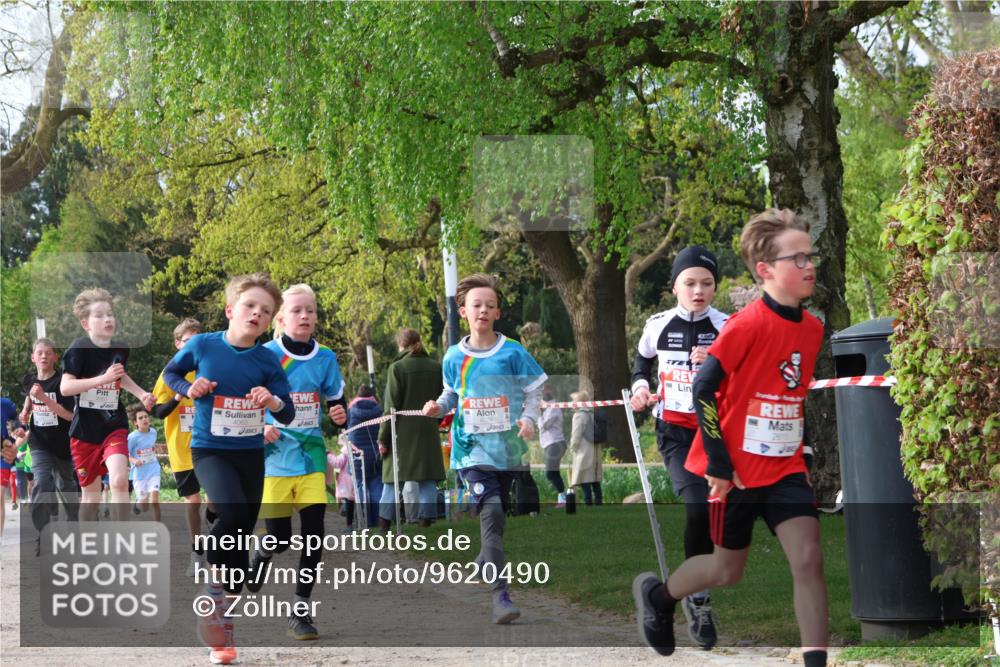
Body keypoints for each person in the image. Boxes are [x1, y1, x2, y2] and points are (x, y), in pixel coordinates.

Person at [633, 208, 828, 667]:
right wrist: (719, 462)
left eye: (810, 255)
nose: (809, 265)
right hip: (736, 473)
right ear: (765, 270)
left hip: (784, 468)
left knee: (808, 558)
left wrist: (798, 444)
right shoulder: (745, 325)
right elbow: (703, 388)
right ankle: (660, 599)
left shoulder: (814, 330)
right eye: (796, 258)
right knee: (725, 570)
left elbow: (786, 394)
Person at [162, 272, 295, 666]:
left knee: (237, 549)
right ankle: (208, 556)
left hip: (249, 455)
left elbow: (286, 409)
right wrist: (190, 388)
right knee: (234, 515)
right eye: (250, 306)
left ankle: (222, 630)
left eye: (266, 310)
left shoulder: (267, 359)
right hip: (209, 450)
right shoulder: (203, 345)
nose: (257, 313)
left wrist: (270, 401)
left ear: (271, 321)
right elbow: (171, 375)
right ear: (230, 310)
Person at [423, 273, 547, 625]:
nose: (483, 310)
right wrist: (438, 407)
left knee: (498, 515)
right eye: (476, 305)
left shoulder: (513, 352)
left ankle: (484, 560)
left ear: (498, 313)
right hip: (469, 450)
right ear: (463, 311)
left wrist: (529, 419)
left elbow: (536, 390)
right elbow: (451, 395)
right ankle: (501, 596)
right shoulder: (452, 356)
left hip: (506, 449)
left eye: (490, 306)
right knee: (491, 512)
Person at [629, 244, 728, 648]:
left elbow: (741, 377)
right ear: (675, 287)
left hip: (714, 432)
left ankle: (691, 591)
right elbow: (641, 363)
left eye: (707, 283)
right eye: (690, 283)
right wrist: (639, 389)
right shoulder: (658, 325)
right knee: (696, 509)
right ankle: (698, 601)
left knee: (715, 520)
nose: (698, 290)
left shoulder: (728, 325)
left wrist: (717, 364)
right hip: (673, 433)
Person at [246, 283, 348, 641]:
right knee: (280, 537)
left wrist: (340, 415)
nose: (305, 316)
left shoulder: (326, 358)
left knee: (314, 534)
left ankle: (299, 610)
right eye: (297, 311)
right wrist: (260, 428)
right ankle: (261, 552)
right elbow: (243, 403)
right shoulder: (264, 355)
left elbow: (338, 402)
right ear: (281, 318)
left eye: (311, 311)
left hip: (311, 456)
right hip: (274, 458)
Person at [60, 288, 155, 522]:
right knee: (91, 498)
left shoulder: (120, 348)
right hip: (84, 431)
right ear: (86, 323)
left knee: (120, 481)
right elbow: (65, 387)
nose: (108, 319)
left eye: (110, 314)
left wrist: (142, 394)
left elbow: (120, 376)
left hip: (114, 425)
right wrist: (103, 379)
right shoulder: (79, 348)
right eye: (100, 315)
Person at [153, 318, 212, 576]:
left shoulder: (211, 367)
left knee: (215, 500)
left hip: (210, 446)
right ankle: (197, 551)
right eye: (187, 341)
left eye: (197, 341)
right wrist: (180, 395)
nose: (192, 346)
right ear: (178, 344)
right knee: (192, 501)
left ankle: (215, 541)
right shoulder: (169, 373)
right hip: (181, 448)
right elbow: (158, 411)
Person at [377, 328, 444, 530]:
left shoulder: (397, 368)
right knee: (427, 477)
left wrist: (383, 438)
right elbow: (442, 401)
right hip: (428, 429)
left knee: (392, 479)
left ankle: (384, 522)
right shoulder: (435, 367)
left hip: (401, 433)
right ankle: (426, 520)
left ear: (401, 345)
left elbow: (390, 407)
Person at [20, 338, 79, 542]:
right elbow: (30, 394)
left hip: (62, 443)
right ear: (33, 357)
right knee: (42, 482)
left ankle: (74, 525)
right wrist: (25, 410)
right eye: (40, 352)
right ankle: (42, 532)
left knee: (66, 486)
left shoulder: (64, 382)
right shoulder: (29, 380)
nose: (44, 356)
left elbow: (70, 416)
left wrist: (45, 399)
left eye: (48, 352)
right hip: (39, 441)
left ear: (55, 357)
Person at [346, 385, 383, 529]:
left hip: (357, 454)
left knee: (360, 487)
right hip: (375, 454)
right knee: (376, 487)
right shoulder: (379, 410)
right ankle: (379, 520)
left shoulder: (351, 410)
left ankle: (363, 521)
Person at [127, 406, 161, 522]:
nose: (144, 419)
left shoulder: (153, 432)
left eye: (146, 417)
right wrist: (134, 461)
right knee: (144, 507)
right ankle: (137, 504)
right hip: (139, 474)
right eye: (140, 418)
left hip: (153, 470)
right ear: (135, 422)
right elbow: (125, 453)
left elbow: (150, 446)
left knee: (154, 501)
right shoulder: (132, 437)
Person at [569, 390, 602, 506]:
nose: (572, 403)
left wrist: (573, 447)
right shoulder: (593, 413)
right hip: (595, 449)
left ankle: (588, 503)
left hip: (584, 451)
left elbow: (576, 435)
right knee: (595, 479)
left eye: (574, 401)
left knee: (584, 479)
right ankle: (599, 503)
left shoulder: (578, 416)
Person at [538, 385, 568, 507]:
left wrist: (538, 413)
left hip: (555, 443)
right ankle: (563, 499)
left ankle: (563, 498)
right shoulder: (547, 408)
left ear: (551, 391)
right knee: (554, 472)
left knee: (550, 473)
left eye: (546, 390)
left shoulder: (553, 407)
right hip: (549, 444)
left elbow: (543, 425)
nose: (544, 392)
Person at [328, 441, 356, 531]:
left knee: (349, 503)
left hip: (348, 480)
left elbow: (337, 463)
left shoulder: (346, 450)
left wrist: (328, 454)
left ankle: (349, 526)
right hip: (356, 478)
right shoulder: (357, 446)